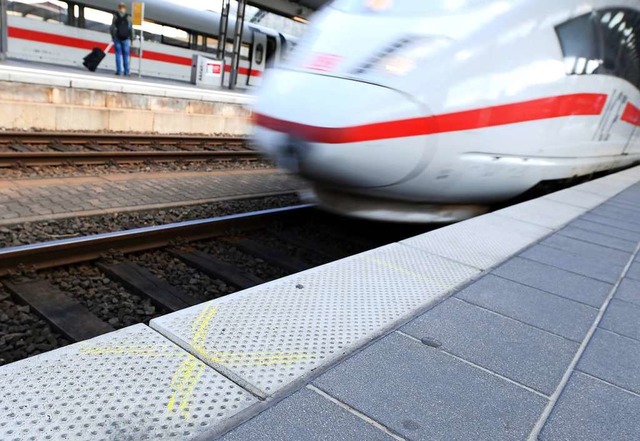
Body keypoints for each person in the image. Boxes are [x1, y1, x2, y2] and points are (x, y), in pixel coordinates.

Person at [110, 3, 133, 76]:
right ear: (125, 9)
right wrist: (132, 39)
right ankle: (126, 72)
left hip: (117, 38)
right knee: (126, 56)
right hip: (126, 39)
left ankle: (119, 71)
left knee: (118, 54)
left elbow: (112, 28)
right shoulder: (129, 17)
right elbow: (131, 29)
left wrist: (113, 37)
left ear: (119, 8)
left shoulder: (115, 16)